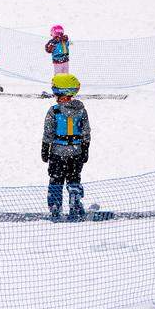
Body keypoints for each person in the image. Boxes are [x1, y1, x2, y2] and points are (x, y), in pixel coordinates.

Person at [42, 73, 91, 220]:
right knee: (74, 178)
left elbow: (48, 131)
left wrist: (45, 148)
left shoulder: (54, 111)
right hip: (76, 152)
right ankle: (75, 202)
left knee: (56, 179)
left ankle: (55, 206)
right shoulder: (81, 110)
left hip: (58, 152)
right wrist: (85, 148)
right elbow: (86, 131)